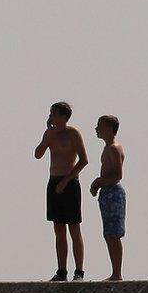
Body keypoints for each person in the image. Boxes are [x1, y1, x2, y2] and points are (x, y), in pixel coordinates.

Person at [34, 101, 89, 281]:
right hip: (53, 180)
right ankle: (61, 271)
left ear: (63, 116)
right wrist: (47, 137)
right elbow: (38, 154)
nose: (51, 116)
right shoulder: (50, 133)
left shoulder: (73, 133)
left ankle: (79, 271)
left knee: (74, 227)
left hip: (70, 182)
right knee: (59, 230)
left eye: (54, 113)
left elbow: (83, 160)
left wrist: (66, 181)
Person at [90, 115, 126, 281]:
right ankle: (115, 272)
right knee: (108, 234)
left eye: (100, 125)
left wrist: (99, 181)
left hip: (113, 193)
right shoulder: (107, 148)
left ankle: (117, 273)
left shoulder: (113, 148)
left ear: (109, 128)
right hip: (107, 193)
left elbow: (118, 174)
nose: (96, 128)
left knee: (113, 234)